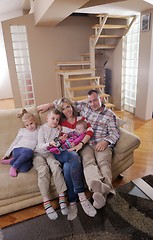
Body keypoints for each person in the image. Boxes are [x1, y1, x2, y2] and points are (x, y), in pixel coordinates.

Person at [37, 90, 120, 209]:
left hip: (101, 143)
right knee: (88, 163)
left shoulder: (109, 115)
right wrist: (49, 105)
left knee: (104, 164)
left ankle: (102, 193)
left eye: (95, 100)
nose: (93, 104)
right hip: (87, 145)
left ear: (100, 99)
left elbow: (115, 132)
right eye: (90, 101)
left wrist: (106, 141)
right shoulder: (84, 107)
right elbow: (63, 104)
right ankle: (95, 189)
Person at [34, 108, 96, 221]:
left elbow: (84, 131)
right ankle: (81, 196)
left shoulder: (62, 126)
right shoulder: (43, 128)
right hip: (54, 152)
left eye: (57, 119)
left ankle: (72, 201)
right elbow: (41, 145)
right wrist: (54, 141)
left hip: (60, 151)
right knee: (74, 156)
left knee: (68, 165)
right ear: (47, 118)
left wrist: (63, 137)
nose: (55, 121)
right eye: (53, 118)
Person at [1, 109, 38, 177]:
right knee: (29, 151)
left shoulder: (39, 131)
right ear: (24, 125)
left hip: (28, 155)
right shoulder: (22, 131)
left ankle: (12, 161)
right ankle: (14, 167)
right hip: (18, 150)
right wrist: (6, 154)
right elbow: (14, 142)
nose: (30, 126)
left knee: (25, 168)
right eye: (27, 125)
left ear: (34, 121)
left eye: (31, 123)